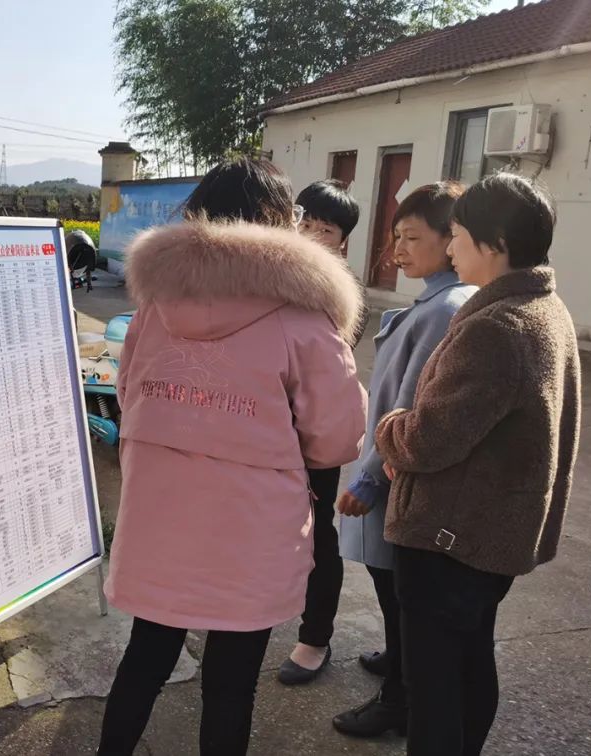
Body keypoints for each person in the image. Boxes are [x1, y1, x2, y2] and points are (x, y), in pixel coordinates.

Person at [97, 157, 367, 756]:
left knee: (145, 657)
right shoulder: (304, 318)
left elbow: (128, 395)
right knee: (231, 683)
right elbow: (337, 435)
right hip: (250, 528)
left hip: (158, 514)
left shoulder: (153, 307)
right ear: (279, 222)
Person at [377, 173, 580, 755]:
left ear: (493, 244)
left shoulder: (497, 326)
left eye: (458, 235)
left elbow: (428, 440)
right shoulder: (544, 306)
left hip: (451, 539)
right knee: (469, 664)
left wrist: (392, 428)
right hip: (491, 534)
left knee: (437, 686)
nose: (451, 248)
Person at [328, 182, 475, 737]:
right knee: (395, 593)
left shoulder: (447, 307)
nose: (398, 251)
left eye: (413, 238)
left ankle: (399, 701)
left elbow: (411, 403)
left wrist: (366, 481)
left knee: (403, 596)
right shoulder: (434, 299)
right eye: (395, 238)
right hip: (390, 467)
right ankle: (398, 661)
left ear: (453, 239)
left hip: (395, 475)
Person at [276, 178, 364, 685]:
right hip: (264, 427)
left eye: (324, 229)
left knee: (316, 537)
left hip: (314, 437)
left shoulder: (344, 294)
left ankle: (315, 638)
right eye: (303, 223)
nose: (310, 235)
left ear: (342, 240)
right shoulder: (271, 273)